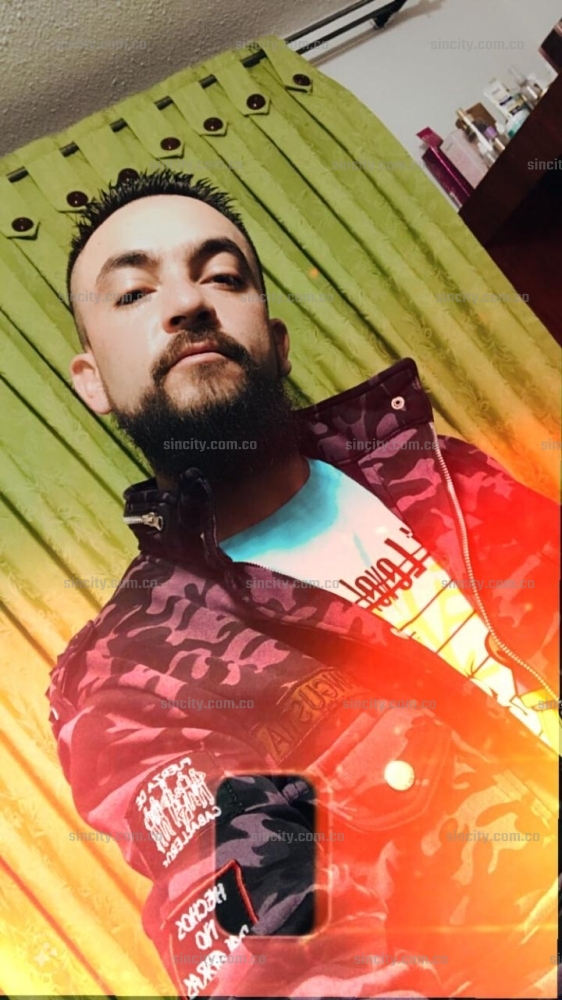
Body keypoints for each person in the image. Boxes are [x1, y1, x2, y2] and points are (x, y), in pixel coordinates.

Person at [47, 167, 560, 999]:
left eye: (222, 276)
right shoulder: (133, 677)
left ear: (278, 341)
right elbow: (281, 959)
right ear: (93, 381)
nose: (189, 303)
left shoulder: (436, 469)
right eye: (135, 293)